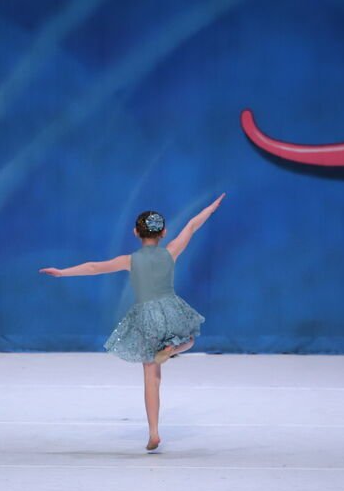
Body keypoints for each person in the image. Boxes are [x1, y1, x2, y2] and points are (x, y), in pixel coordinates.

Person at [39, 193, 225, 451]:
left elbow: (94, 267)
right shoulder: (171, 252)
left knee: (151, 376)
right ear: (164, 232)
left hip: (146, 315)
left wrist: (63, 272)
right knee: (190, 338)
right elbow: (192, 225)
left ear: (136, 232)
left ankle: (154, 432)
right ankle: (174, 349)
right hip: (170, 308)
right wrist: (211, 208)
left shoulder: (130, 260)